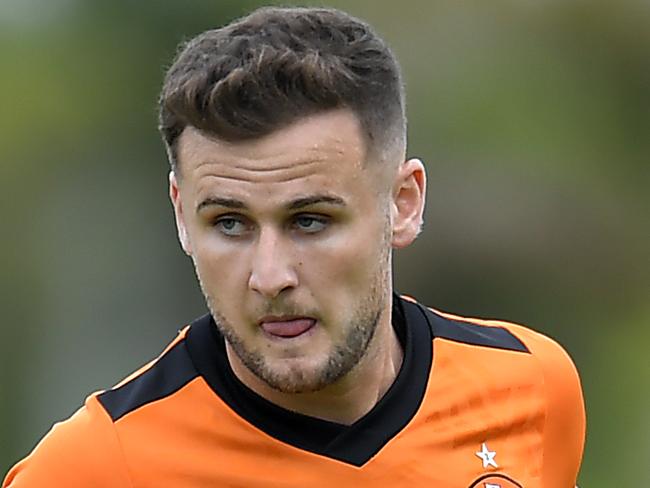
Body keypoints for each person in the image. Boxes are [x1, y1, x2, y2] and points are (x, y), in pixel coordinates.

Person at [3, 6, 585, 487]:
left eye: (310, 221)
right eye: (230, 224)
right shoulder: (95, 467)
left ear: (402, 204)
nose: (270, 276)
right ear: (182, 215)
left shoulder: (532, 388)